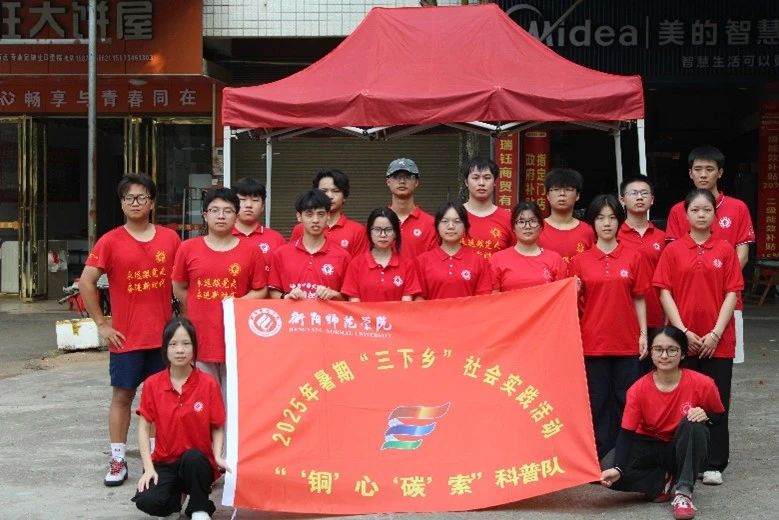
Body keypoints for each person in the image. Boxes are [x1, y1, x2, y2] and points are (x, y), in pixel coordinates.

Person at [79, 173, 181, 487]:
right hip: (126, 337)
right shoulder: (110, 241)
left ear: (151, 202)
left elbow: (183, 282)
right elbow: (86, 282)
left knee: (159, 399)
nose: (135, 203)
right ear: (122, 203)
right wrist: (102, 324)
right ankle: (118, 459)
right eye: (128, 198)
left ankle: (156, 459)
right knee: (123, 396)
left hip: (163, 338)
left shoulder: (170, 239)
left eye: (141, 197)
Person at [654, 188, 743, 487]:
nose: (701, 215)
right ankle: (686, 460)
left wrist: (716, 333)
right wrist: (682, 333)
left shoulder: (725, 250)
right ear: (685, 215)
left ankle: (715, 462)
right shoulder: (673, 250)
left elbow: (732, 293)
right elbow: (664, 291)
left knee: (716, 399)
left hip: (719, 340)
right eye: (695, 210)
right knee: (683, 398)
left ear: (715, 215)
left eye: (707, 210)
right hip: (683, 340)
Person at [600, 326, 725, 520]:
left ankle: (683, 492)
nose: (664, 355)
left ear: (683, 354)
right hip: (649, 446)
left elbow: (718, 417)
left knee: (694, 423)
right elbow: (626, 434)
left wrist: (705, 414)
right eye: (658, 349)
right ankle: (661, 481)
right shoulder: (638, 389)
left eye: (672, 350)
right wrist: (618, 469)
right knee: (606, 469)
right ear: (650, 353)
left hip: (682, 447)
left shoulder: (703, 383)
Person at [569, 194, 649, 462]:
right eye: (600, 218)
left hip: (627, 341)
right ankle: (599, 457)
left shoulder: (634, 257)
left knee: (626, 399)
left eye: (612, 217)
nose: (606, 223)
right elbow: (571, 306)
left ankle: (624, 457)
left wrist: (643, 334)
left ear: (620, 221)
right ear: (592, 222)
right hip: (593, 342)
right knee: (598, 400)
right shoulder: (580, 261)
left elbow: (639, 298)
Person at [172, 188, 268, 394]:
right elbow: (179, 286)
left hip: (237, 338)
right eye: (214, 210)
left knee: (233, 399)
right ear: (205, 215)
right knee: (203, 398)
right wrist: (197, 307)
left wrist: (237, 302)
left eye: (228, 211)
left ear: (236, 215)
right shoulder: (188, 248)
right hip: (200, 337)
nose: (221, 216)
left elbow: (261, 290)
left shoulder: (251, 250)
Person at [664, 145, 754, 364]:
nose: (703, 174)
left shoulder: (738, 208)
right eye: (698, 169)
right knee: (684, 367)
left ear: (720, 172)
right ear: (690, 173)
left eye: (709, 169)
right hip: (686, 302)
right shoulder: (678, 210)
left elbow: (742, 254)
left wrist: (720, 284)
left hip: (727, 299)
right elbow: (673, 259)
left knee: (723, 363)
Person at [133, 317, 228, 520]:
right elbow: (143, 428)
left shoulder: (208, 384)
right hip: (165, 461)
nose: (180, 350)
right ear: (165, 348)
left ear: (194, 347)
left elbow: (217, 425)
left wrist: (218, 456)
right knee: (148, 501)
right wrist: (148, 467)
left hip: (198, 463)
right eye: (173, 344)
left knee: (194, 459)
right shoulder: (152, 384)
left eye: (186, 343)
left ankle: (199, 507)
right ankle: (176, 500)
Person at [268, 189, 351, 300]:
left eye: (321, 214)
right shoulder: (281, 254)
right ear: (299, 216)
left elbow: (349, 299)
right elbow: (273, 291)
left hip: (326, 312)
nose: (315, 220)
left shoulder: (343, 256)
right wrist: (286, 296)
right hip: (292, 312)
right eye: (309, 214)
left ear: (328, 216)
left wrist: (333, 294)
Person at [415, 202, 493, 300]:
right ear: (437, 226)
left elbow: (483, 299)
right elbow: (419, 299)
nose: (451, 226)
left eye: (457, 221)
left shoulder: (478, 261)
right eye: (445, 221)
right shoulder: (422, 261)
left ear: (465, 226)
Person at [341, 207, 422, 302]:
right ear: (369, 232)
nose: (383, 235)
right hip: (363, 313)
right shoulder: (356, 264)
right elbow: (354, 303)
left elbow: (406, 303)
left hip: (398, 312)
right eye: (377, 229)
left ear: (396, 233)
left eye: (388, 230)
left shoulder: (407, 265)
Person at [618, 175, 666, 330]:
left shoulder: (662, 237)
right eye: (633, 193)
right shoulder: (614, 236)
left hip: (657, 314)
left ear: (652, 200)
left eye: (644, 193)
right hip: (624, 316)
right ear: (622, 200)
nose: (639, 197)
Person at [490, 201, 567, 291]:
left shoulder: (555, 260)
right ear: (513, 228)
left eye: (533, 221)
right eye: (521, 222)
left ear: (541, 227)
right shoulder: (497, 259)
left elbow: (562, 295)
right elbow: (493, 296)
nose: (527, 226)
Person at [289, 169, 368, 256]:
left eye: (335, 191)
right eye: (323, 191)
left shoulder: (357, 230)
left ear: (344, 197)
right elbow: (292, 257)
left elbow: (360, 263)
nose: (329, 196)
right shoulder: (301, 228)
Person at [537, 167, 594, 264]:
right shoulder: (537, 229)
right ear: (548, 195)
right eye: (556, 189)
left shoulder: (588, 231)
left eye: (568, 189)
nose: (562, 194)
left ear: (577, 195)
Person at [461, 157, 513, 259]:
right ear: (466, 182)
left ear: (494, 182)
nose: (481, 183)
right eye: (475, 178)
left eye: (487, 178)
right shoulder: (455, 216)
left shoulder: (509, 218)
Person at [385, 158, 438, 257]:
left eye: (408, 176)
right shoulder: (378, 222)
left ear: (416, 182)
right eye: (396, 176)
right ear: (388, 182)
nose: (402, 181)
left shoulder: (431, 224)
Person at [232, 177, 286, 257]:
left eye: (255, 200)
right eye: (242, 199)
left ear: (262, 206)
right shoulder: (223, 236)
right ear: (233, 204)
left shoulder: (276, 239)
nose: (249, 205)